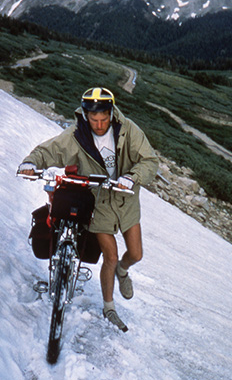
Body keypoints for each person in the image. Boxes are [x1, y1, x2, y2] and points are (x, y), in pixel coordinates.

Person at [18, 87, 158, 331]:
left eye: (104, 118)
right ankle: (109, 307)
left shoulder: (127, 130)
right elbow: (48, 150)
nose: (99, 124)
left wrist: (133, 177)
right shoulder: (76, 135)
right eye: (94, 119)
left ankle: (123, 272)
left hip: (126, 200)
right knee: (110, 256)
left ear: (111, 112)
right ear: (85, 114)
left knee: (135, 254)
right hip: (98, 203)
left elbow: (149, 160)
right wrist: (31, 162)